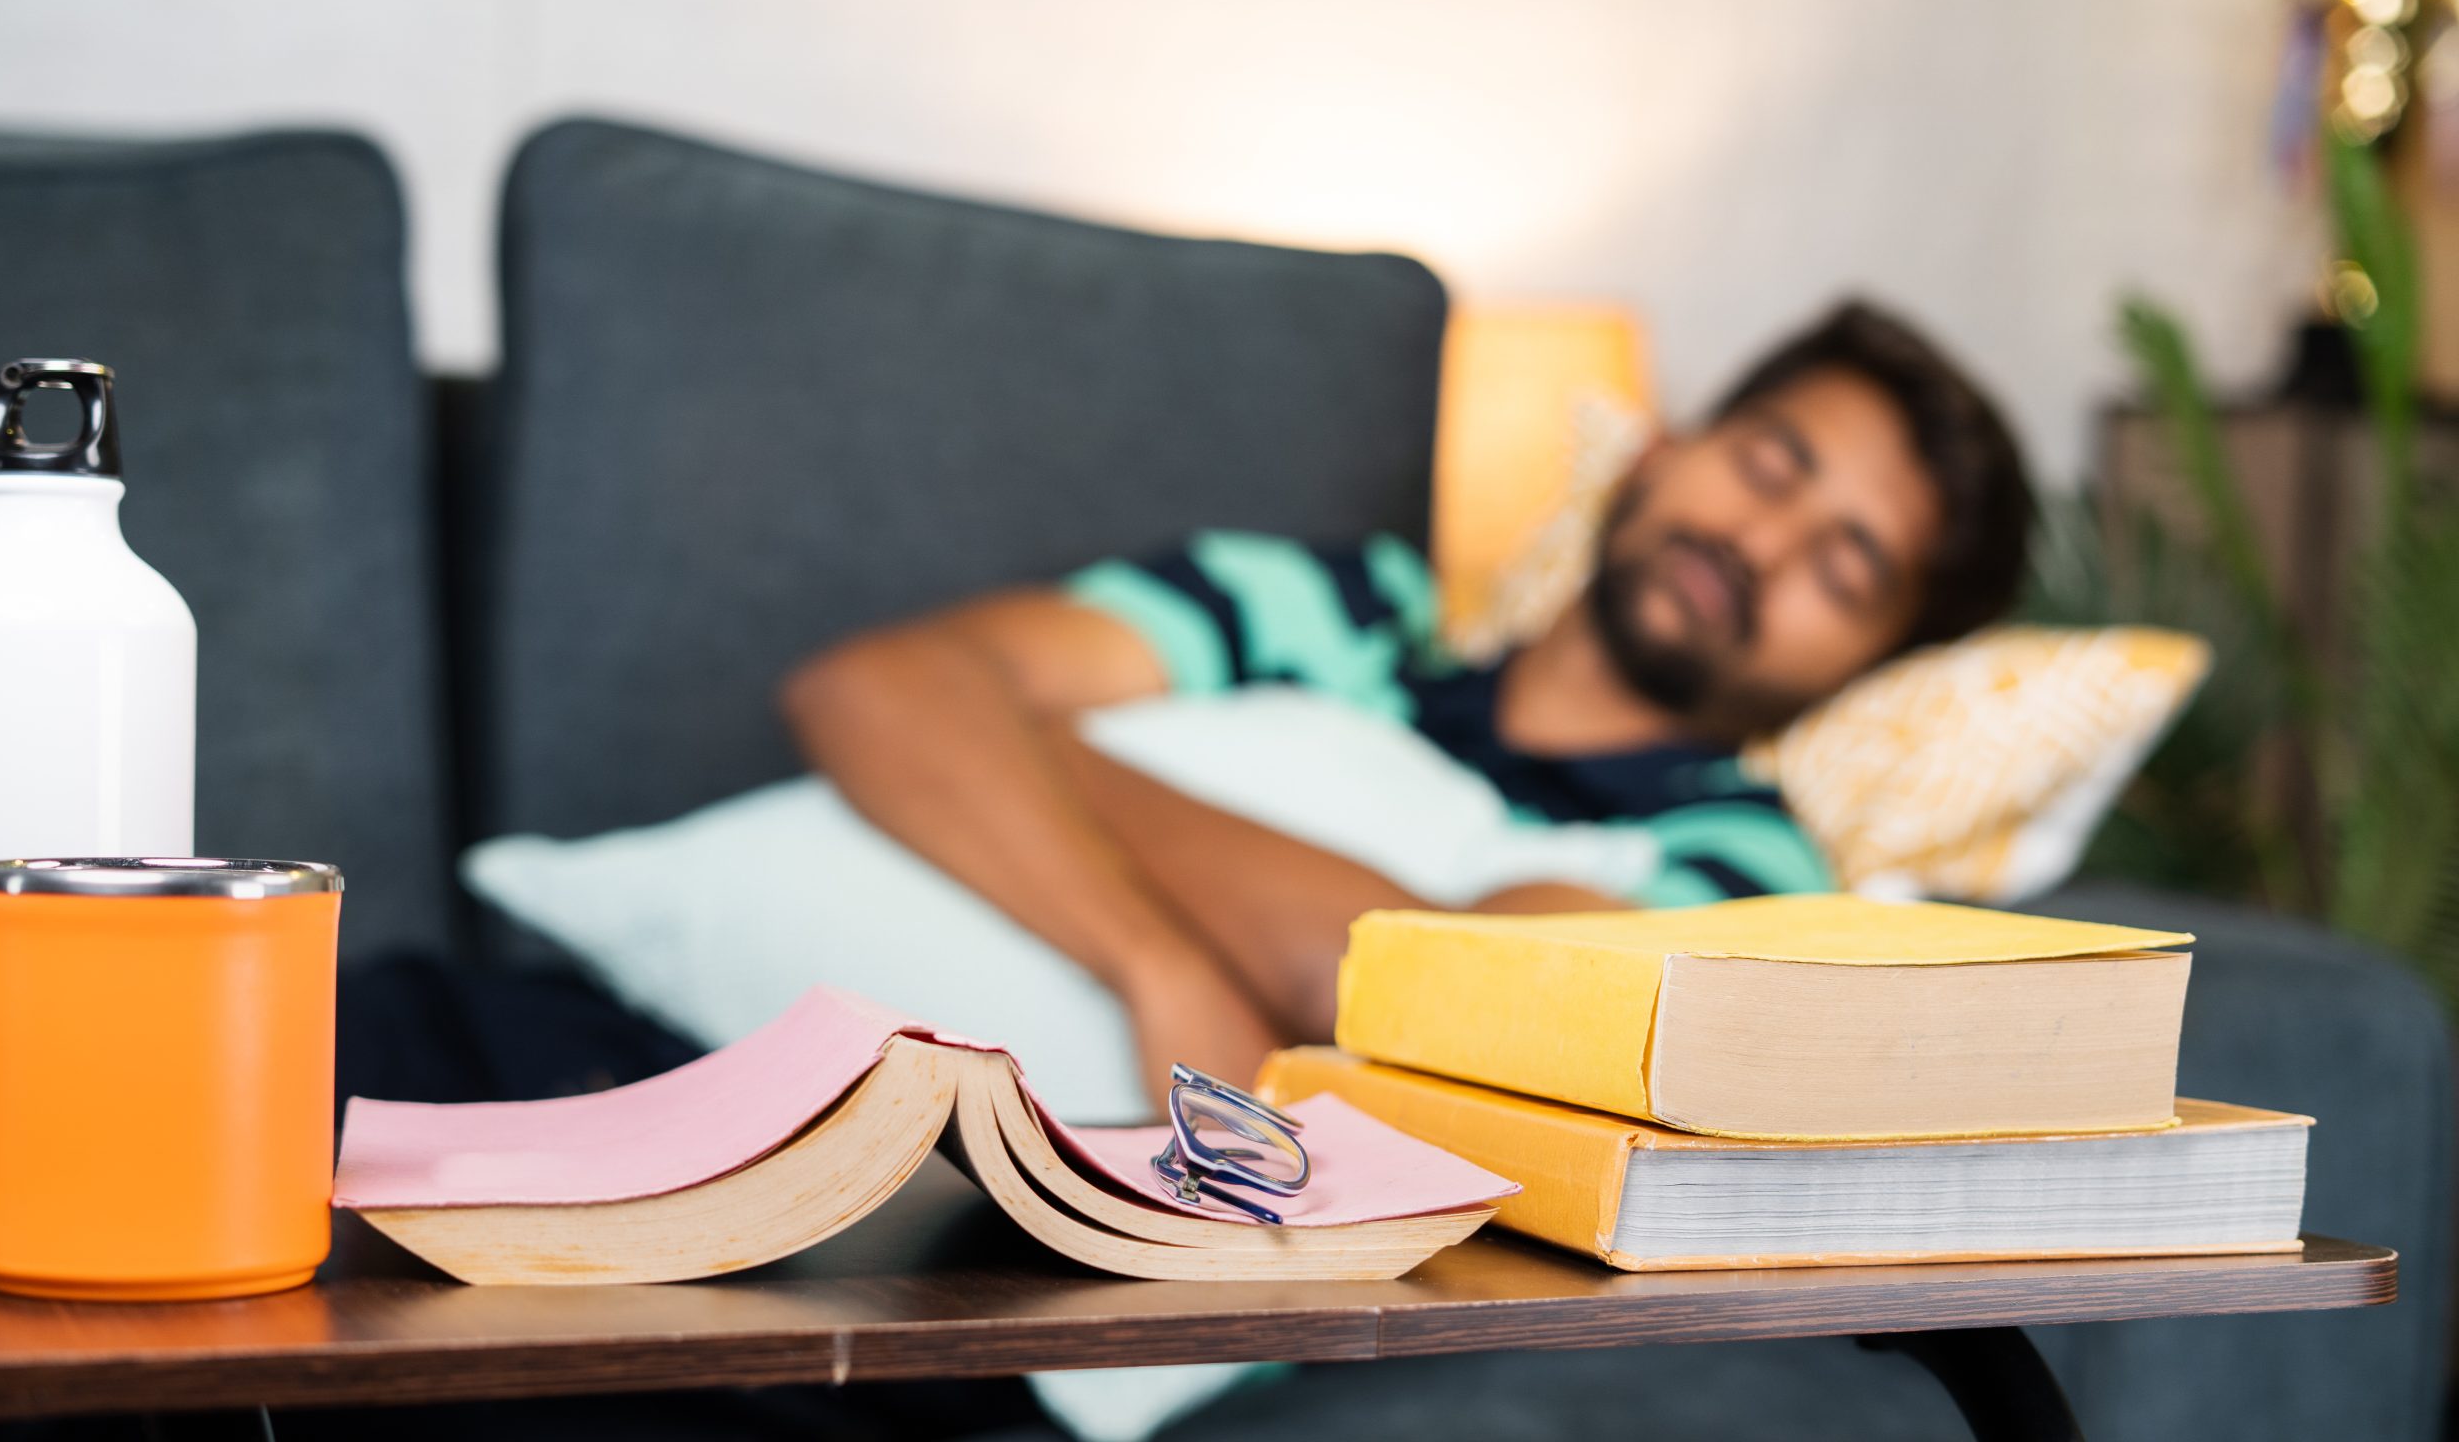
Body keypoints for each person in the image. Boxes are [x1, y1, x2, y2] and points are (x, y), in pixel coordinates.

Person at [782, 300, 2034, 1093]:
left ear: (1864, 672)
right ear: (1660, 447)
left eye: (1841, 566)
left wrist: (1027, 749)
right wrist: (1158, 963)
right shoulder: (1331, 610)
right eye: (1767, 463)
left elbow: (1403, 993)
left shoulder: (1747, 861)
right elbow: (878, 688)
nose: (1760, 545)